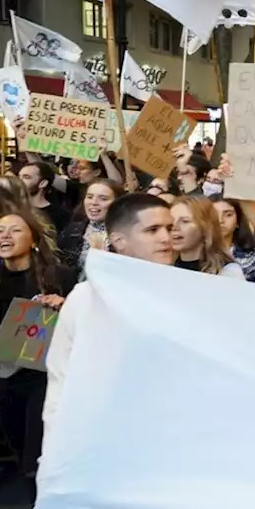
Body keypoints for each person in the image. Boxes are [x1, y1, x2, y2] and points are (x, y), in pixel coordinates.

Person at [44, 194, 176, 464]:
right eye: (153, 230)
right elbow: (62, 378)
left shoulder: (187, 295)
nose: (166, 238)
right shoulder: (86, 298)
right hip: (101, 446)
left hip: (166, 445)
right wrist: (54, 455)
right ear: (119, 241)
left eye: (170, 228)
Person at [0, 212, 75, 485]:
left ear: (34, 239)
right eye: (0, 230)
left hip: (45, 377)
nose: (5, 236)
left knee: (37, 458)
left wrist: (65, 305)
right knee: (19, 449)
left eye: (14, 230)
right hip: (5, 378)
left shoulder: (60, 276)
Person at [57, 178, 125, 273]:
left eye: (103, 199)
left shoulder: (127, 236)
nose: (94, 202)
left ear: (117, 203)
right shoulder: (72, 230)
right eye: (89, 197)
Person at [170, 196, 245, 278]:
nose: (174, 227)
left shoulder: (228, 271)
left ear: (206, 227)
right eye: (171, 221)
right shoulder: (163, 265)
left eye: (185, 221)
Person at [210, 197, 255, 284]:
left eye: (228, 215)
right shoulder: (197, 251)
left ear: (238, 221)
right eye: (214, 214)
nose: (220, 220)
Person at [17, 162, 69, 233]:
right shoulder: (11, 208)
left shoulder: (60, 215)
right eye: (19, 176)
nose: (18, 181)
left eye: (26, 177)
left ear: (43, 183)